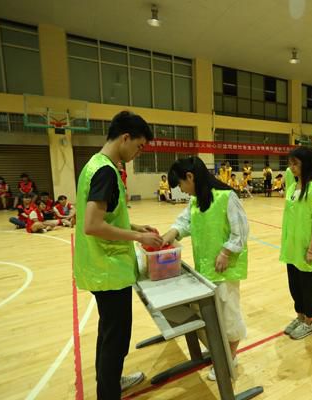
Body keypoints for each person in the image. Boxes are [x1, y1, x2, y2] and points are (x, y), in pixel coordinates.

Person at [74, 111, 162, 398]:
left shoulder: (93, 165)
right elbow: (92, 225)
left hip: (99, 266)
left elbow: (106, 216)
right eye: (139, 146)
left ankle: (109, 382)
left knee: (108, 333)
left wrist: (135, 226)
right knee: (116, 340)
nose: (139, 153)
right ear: (125, 137)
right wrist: (139, 237)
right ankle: (109, 391)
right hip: (109, 269)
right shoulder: (106, 172)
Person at [162, 156, 249, 381]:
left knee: (229, 316)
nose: (182, 189)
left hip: (225, 269)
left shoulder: (226, 196)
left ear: (190, 177)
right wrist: (169, 235)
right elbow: (184, 222)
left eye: (181, 184)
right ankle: (222, 351)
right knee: (214, 316)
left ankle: (229, 359)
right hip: (206, 269)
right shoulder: (196, 200)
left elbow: (241, 231)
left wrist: (225, 252)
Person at [280, 147, 312, 340]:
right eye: (290, 163)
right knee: (294, 284)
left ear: (305, 164)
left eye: (295, 163)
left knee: (307, 286)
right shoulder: (291, 188)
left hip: (306, 247)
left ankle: (308, 322)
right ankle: (299, 316)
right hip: (292, 247)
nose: (292, 167)